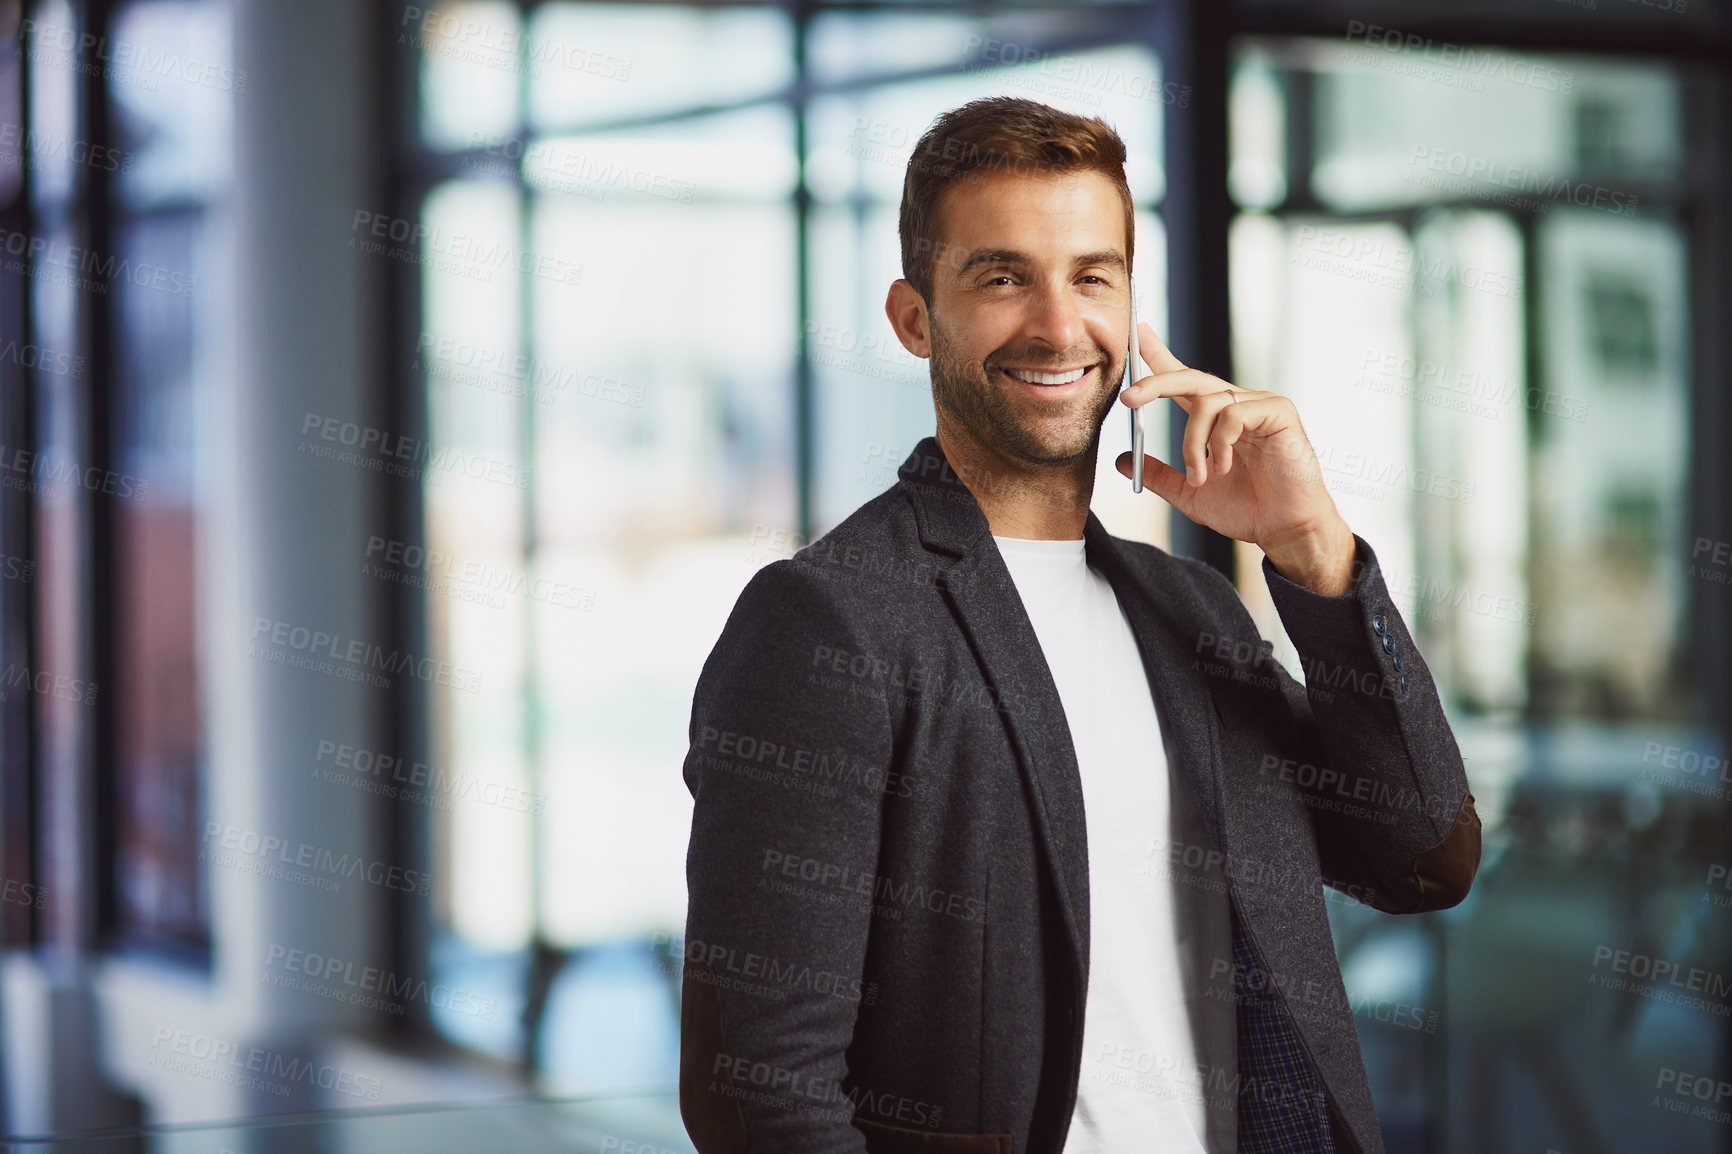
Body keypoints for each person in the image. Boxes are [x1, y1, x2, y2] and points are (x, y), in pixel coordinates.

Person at [677, 96, 1479, 1154]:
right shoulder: (832, 620)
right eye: (1002, 275)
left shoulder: (1186, 608)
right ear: (915, 316)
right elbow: (759, 1091)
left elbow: (1420, 857)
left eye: (1091, 275)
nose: (1058, 326)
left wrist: (1312, 551)